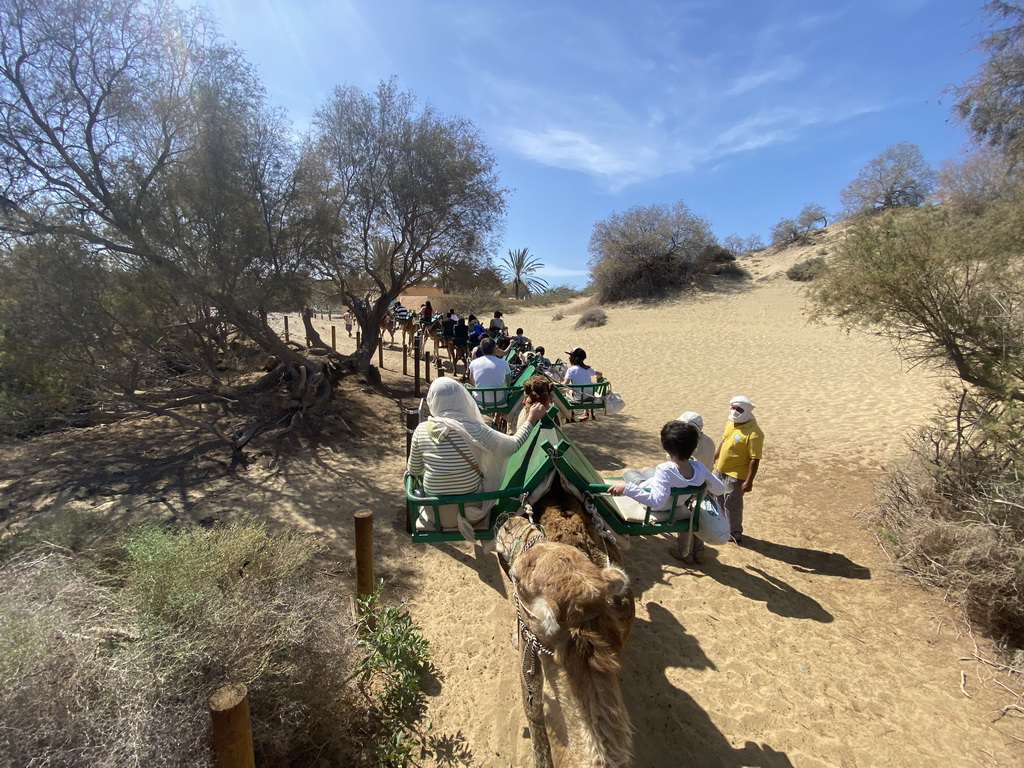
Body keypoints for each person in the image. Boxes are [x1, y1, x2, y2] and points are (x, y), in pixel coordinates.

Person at [406, 378, 546, 522]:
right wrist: (531, 418)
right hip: (472, 513)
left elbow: (414, 470)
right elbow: (514, 444)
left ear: (432, 401)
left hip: (435, 514)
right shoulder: (476, 429)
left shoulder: (421, 430)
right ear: (462, 399)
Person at [609, 421, 725, 565]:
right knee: (647, 469)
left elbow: (656, 501)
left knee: (626, 472)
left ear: (666, 447)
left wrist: (627, 488)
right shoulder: (699, 467)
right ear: (694, 446)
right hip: (677, 501)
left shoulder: (665, 469)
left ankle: (629, 478)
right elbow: (720, 489)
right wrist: (705, 481)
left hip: (656, 501)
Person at [713, 396, 764, 544]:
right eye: (733, 408)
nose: (735, 412)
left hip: (736, 476)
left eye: (739, 409)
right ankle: (722, 528)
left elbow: (755, 459)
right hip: (721, 470)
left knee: (732, 504)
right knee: (719, 499)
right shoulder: (730, 423)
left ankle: (734, 533)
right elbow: (724, 441)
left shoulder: (754, 434)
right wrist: (714, 458)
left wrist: (749, 481)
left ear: (746, 411)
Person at [671, 411, 718, 563]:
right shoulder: (709, 441)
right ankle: (699, 552)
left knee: (686, 519)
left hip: (690, 487)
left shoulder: (691, 446)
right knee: (699, 518)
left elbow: (677, 460)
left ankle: (685, 553)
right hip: (704, 487)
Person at [562, 347, 603, 421]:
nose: (569, 358)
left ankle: (571, 414)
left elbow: (565, 384)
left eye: (571, 356)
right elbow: (600, 374)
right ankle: (586, 412)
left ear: (574, 358)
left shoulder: (571, 370)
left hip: (578, 398)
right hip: (590, 395)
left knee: (568, 391)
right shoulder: (587, 369)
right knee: (584, 390)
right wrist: (598, 378)